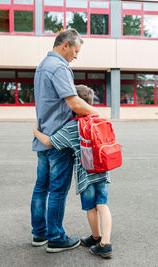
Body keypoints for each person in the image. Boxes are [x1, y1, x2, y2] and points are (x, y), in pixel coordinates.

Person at [31, 29, 98, 253]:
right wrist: (98, 115)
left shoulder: (42, 66)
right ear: (65, 45)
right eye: (75, 51)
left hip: (42, 137)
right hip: (58, 140)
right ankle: (56, 238)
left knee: (41, 187)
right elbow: (75, 103)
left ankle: (39, 234)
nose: (76, 56)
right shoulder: (59, 67)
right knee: (57, 190)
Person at [33, 85, 113, 258]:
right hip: (104, 171)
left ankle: (97, 237)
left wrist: (35, 131)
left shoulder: (73, 126)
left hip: (86, 175)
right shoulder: (99, 120)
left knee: (91, 208)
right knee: (103, 204)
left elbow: (49, 142)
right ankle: (104, 242)